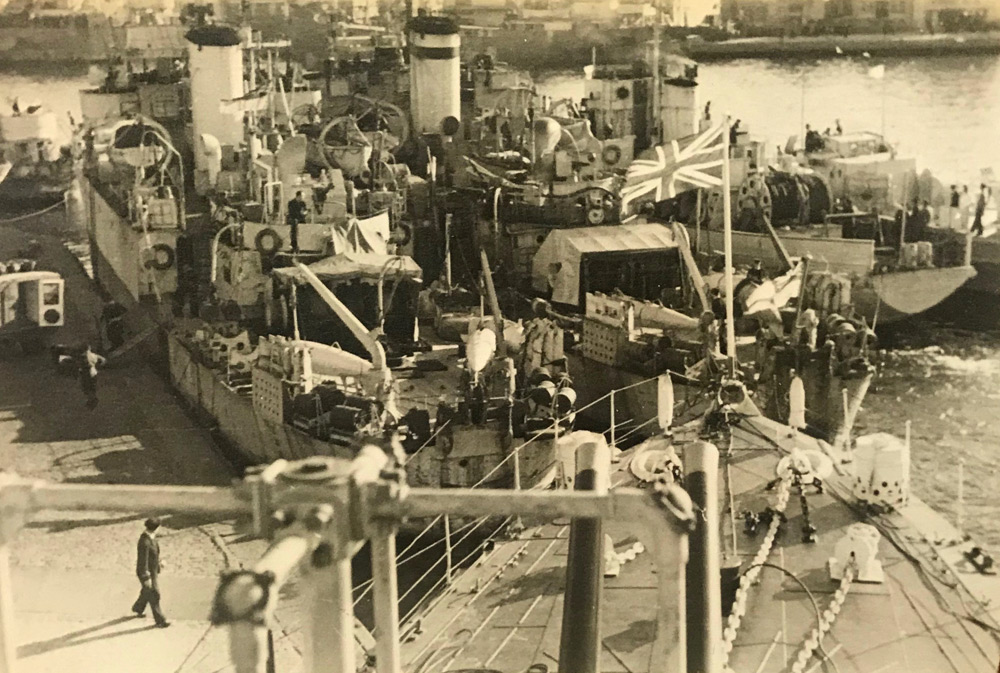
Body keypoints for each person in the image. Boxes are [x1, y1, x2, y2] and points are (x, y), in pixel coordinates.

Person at [131, 517, 170, 628]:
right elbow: (143, 561)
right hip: (147, 573)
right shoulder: (145, 542)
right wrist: (146, 577)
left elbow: (153, 555)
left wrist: (159, 563)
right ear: (156, 528)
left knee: (146, 592)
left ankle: (138, 608)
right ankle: (160, 620)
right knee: (154, 594)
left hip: (152, 571)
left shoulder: (151, 538)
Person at [79, 345, 106, 410]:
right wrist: (99, 365)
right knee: (91, 386)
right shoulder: (93, 355)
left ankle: (91, 398)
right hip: (92, 372)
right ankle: (92, 397)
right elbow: (103, 360)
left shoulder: (83, 356)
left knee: (87, 386)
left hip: (87, 373)